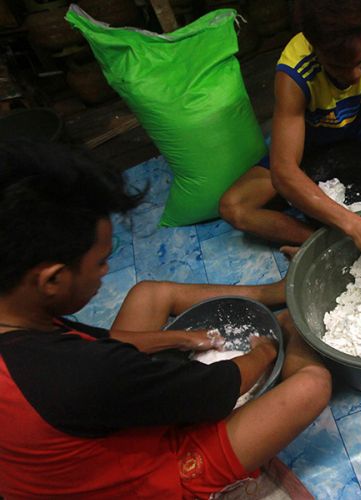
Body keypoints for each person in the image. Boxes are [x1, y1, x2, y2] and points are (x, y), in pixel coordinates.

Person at [0, 141, 332, 498]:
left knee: (149, 294)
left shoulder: (18, 319)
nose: (106, 271)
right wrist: (265, 350)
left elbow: (104, 342)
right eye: (100, 262)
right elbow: (217, 389)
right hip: (142, 481)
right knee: (312, 384)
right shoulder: (83, 374)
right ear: (52, 279)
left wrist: (181, 339)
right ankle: (292, 319)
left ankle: (273, 292)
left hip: (85, 438)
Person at [219, 0, 361, 268]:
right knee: (234, 206)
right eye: (337, 67)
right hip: (309, 150)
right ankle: (325, 244)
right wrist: (354, 227)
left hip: (358, 132)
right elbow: (284, 171)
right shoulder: (294, 73)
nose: (353, 76)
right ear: (315, 48)